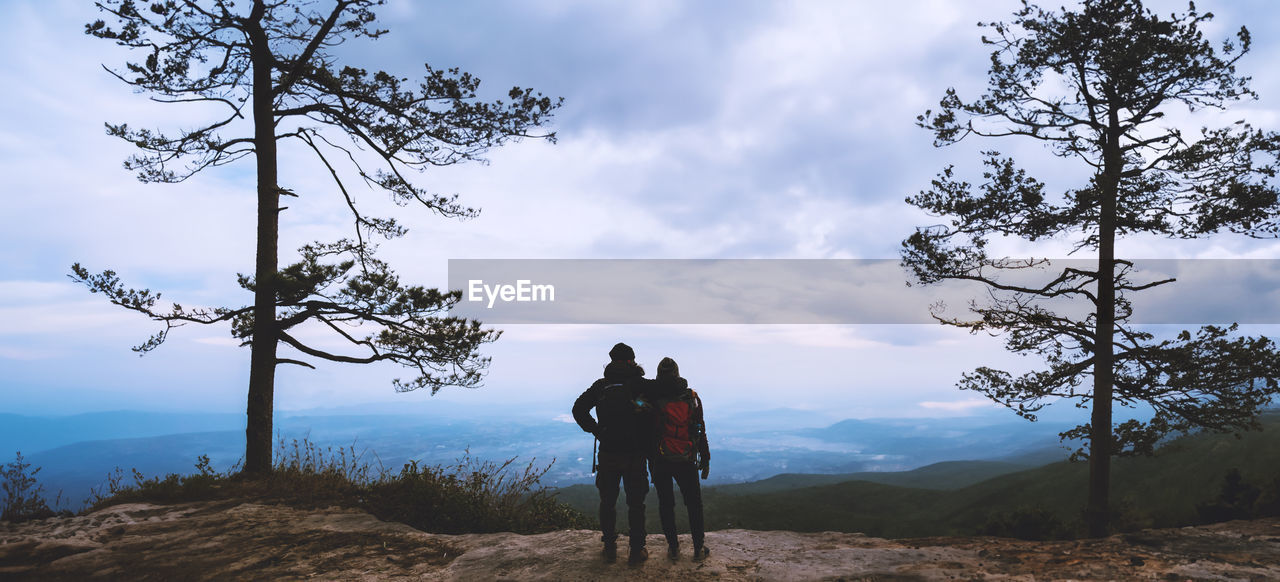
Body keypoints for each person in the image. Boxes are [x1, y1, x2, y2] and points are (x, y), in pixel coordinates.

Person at [572, 342, 651, 565]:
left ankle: (609, 548)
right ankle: (636, 551)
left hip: (608, 454)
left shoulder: (600, 386)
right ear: (631, 361)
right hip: (635, 454)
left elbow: (578, 409)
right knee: (636, 504)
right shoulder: (640, 385)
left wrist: (598, 431)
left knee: (607, 502)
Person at [647, 356, 710, 561]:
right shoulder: (690, 397)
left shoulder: (652, 399)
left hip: (661, 460)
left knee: (666, 504)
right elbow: (700, 429)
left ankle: (673, 549)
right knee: (693, 504)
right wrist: (705, 458)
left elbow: (647, 431)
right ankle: (699, 548)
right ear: (677, 373)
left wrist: (650, 461)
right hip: (687, 459)